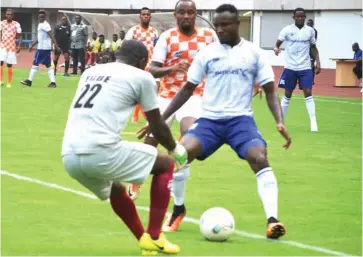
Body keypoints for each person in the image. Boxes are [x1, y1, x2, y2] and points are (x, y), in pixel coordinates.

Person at [138, 4, 292, 239]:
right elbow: (187, 89)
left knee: (259, 158)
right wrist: (160, 118)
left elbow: (271, 90)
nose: (220, 29)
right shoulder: (207, 53)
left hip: (240, 121)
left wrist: (279, 121)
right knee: (179, 156)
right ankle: (178, 210)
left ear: (237, 24)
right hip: (209, 120)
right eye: (217, 25)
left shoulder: (254, 53)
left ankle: (273, 220)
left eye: (225, 25)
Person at [61, 40, 187, 255]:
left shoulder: (91, 72)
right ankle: (155, 236)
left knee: (116, 189)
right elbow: (157, 125)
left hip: (69, 155)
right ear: (141, 62)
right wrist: (176, 149)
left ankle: (144, 242)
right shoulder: (142, 76)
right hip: (99, 151)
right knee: (166, 164)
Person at [128, 0, 218, 233]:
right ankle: (138, 178)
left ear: (196, 15)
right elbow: (153, 69)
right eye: (182, 12)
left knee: (187, 140)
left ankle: (178, 209)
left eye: (191, 12)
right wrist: (173, 68)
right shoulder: (167, 37)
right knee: (150, 139)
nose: (186, 16)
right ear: (175, 15)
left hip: (195, 95)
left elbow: (222, 61)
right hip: (167, 96)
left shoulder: (209, 36)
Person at [274, 7, 321, 132]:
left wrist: (318, 62)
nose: (300, 18)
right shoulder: (287, 30)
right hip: (290, 67)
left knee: (308, 92)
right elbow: (277, 43)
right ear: (293, 18)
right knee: (288, 94)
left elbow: (314, 47)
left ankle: (313, 123)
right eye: (298, 16)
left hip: (305, 67)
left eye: (302, 16)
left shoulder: (310, 31)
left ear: (305, 17)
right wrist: (276, 49)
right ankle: (281, 121)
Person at [125, 7, 159, 124]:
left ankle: (142, 113)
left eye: (147, 14)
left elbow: (156, 46)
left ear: (150, 17)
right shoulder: (133, 31)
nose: (145, 16)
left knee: (152, 88)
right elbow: (126, 46)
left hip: (150, 63)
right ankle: (138, 114)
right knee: (139, 88)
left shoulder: (154, 31)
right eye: (143, 14)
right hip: (137, 63)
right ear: (140, 16)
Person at [21, 10, 60, 88]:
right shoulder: (40, 24)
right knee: (48, 65)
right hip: (44, 48)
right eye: (40, 17)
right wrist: (32, 45)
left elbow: (51, 35)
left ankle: (29, 81)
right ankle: (53, 83)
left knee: (35, 63)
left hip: (43, 48)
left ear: (45, 17)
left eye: (42, 17)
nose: (41, 18)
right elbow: (39, 38)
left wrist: (56, 45)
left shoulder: (46, 25)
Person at [0, 9, 22, 88]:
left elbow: (20, 35)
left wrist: (19, 45)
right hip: (3, 46)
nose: (9, 15)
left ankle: (9, 83)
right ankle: (1, 80)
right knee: (1, 62)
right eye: (8, 14)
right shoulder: (2, 23)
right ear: (5, 15)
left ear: (13, 15)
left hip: (12, 47)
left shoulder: (16, 24)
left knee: (9, 64)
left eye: (11, 14)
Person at [307, 19, 318, 86]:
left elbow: (313, 42)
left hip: (311, 50)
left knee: (311, 65)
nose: (308, 25)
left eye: (309, 24)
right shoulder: (304, 30)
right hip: (305, 50)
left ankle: (312, 80)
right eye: (307, 23)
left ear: (312, 24)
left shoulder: (314, 31)